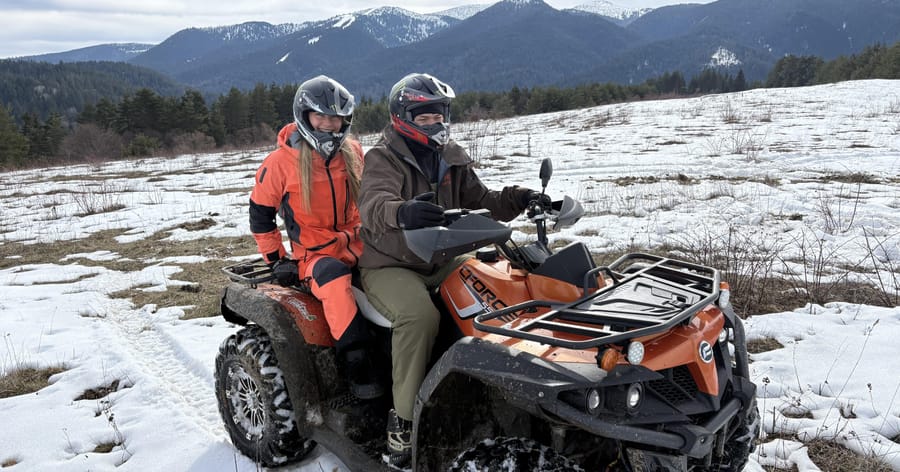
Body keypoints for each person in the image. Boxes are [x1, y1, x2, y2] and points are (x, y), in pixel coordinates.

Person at [357, 72, 551, 468]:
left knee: (499, 294)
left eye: (440, 115)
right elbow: (374, 205)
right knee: (419, 316)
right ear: (402, 117)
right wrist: (403, 211)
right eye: (424, 117)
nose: (435, 124)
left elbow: (484, 200)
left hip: (444, 256)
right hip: (393, 263)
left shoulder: (452, 157)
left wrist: (522, 197)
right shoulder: (383, 157)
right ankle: (403, 425)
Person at [249, 75, 383, 400]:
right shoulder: (281, 162)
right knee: (336, 284)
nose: (327, 123)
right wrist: (277, 259)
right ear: (304, 115)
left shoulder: (352, 151)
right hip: (316, 256)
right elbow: (260, 214)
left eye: (334, 117)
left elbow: (370, 197)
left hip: (361, 243)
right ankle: (359, 371)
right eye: (319, 116)